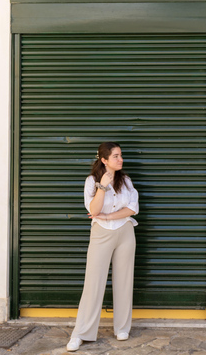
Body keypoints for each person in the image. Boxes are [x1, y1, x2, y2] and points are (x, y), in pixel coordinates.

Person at [67, 142, 139, 352]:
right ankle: (81, 333)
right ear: (104, 160)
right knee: (93, 282)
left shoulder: (126, 181)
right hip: (101, 233)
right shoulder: (92, 181)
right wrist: (102, 186)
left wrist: (108, 216)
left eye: (121, 155)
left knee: (124, 280)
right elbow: (93, 210)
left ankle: (122, 328)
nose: (121, 159)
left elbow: (132, 208)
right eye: (116, 156)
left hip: (125, 231)